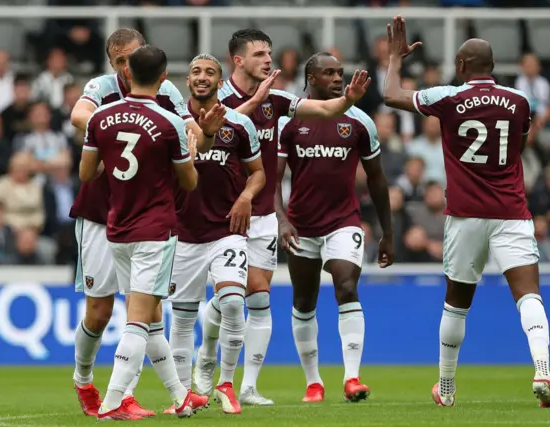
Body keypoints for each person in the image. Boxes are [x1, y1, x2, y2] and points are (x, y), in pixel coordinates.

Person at [383, 16, 550, 408]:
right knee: (529, 295)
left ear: (462, 67)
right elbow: (521, 146)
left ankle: (446, 387)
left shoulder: (448, 97)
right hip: (511, 212)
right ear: (494, 66)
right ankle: (543, 369)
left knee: (456, 303)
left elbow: (391, 95)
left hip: (465, 216)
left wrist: (395, 58)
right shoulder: (520, 102)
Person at [194, 28, 371, 406]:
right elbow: (196, 139)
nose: (268, 60)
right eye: (259, 54)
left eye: (270, 53)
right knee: (231, 297)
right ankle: (208, 356)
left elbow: (322, 107)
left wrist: (347, 101)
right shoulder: (218, 98)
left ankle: (247, 386)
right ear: (237, 60)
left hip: (261, 216)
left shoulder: (276, 100)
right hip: (223, 214)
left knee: (258, 296)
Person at [69, 28, 225, 418]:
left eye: (132, 57)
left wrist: (202, 134)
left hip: (136, 214)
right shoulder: (102, 89)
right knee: (101, 312)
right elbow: (79, 115)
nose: (126, 65)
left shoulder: (168, 94)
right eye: (120, 59)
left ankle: (172, 395)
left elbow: (194, 139)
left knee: (150, 311)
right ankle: (85, 381)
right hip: (99, 214)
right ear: (111, 63)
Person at [274, 52, 394, 403]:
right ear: (310, 77)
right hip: (301, 225)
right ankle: (313, 383)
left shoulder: (359, 121)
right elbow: (272, 180)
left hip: (343, 221)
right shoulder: (290, 122)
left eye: (340, 72)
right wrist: (281, 220)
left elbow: (377, 179)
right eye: (328, 73)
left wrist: (387, 232)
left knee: (346, 286)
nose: (338, 78)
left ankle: (352, 378)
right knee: (304, 300)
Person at [163, 53, 265, 415]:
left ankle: (225, 383)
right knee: (182, 319)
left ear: (220, 82)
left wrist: (245, 197)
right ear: (187, 82)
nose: (202, 77)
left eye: (209, 72)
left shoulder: (239, 125)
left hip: (227, 231)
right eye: (195, 72)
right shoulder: (172, 123)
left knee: (235, 303)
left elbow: (258, 173)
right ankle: (183, 396)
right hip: (184, 234)